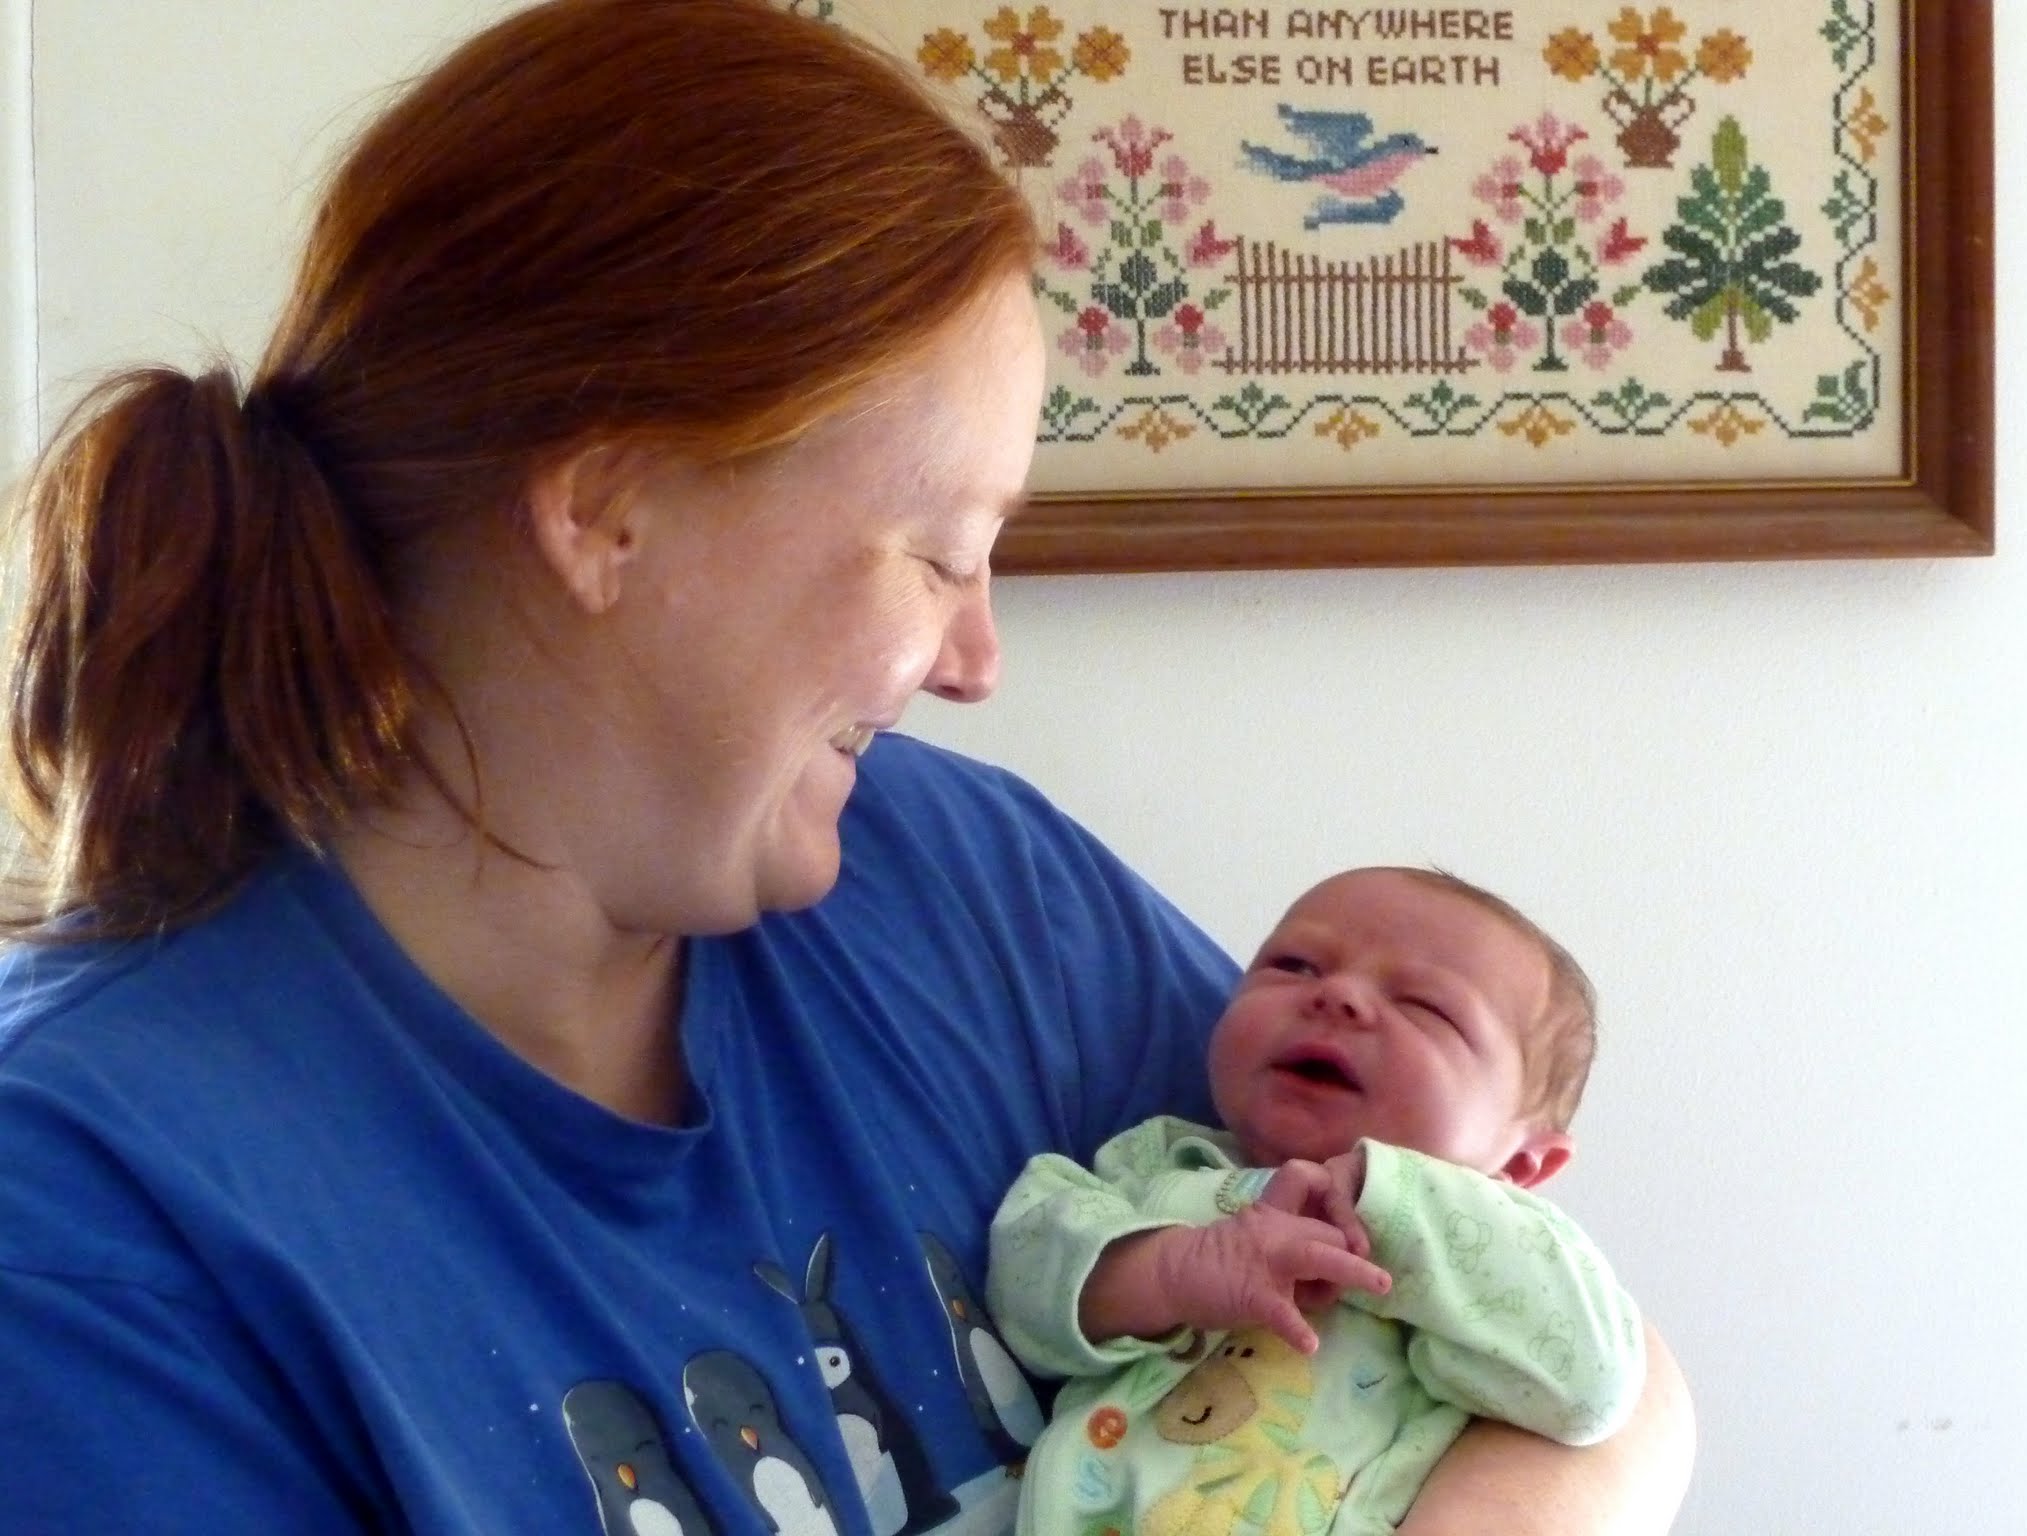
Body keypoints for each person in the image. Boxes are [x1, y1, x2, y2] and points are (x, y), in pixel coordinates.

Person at [0, 1, 1691, 1532]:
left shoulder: (968, 888)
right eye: (938, 554)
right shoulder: (88, 1213)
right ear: (609, 507)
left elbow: (1598, 1370)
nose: (974, 660)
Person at [989, 867, 1644, 1535]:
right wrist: (1169, 1270)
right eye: (1294, 965)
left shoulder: (1510, 1254)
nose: (1338, 995)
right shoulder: (1161, 1164)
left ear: (1524, 1162)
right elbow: (1025, 1276)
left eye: (1426, 1006)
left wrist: (1395, 1201)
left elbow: (1592, 1390)